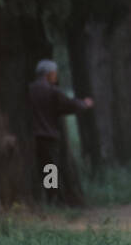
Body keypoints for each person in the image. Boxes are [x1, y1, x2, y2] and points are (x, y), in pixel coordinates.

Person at [28, 59, 94, 201]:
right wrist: (84, 104)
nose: (56, 76)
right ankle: (52, 198)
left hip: (34, 136)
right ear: (49, 74)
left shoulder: (30, 89)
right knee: (50, 167)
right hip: (49, 135)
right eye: (54, 73)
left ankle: (47, 196)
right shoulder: (51, 91)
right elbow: (69, 104)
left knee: (43, 167)